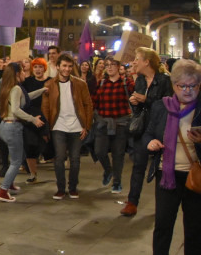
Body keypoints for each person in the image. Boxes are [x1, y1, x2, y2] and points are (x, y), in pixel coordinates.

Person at [139, 59, 201, 255]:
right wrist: (151, 142)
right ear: (174, 85)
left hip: (194, 177)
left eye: (193, 86)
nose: (187, 91)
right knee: (163, 225)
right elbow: (146, 134)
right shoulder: (161, 106)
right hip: (168, 175)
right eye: (182, 86)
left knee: (194, 227)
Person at [120, 47, 173, 217]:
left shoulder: (165, 81)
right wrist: (134, 102)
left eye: (137, 58)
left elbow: (168, 104)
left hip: (161, 129)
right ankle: (132, 202)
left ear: (146, 62)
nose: (134, 61)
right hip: (142, 129)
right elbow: (139, 108)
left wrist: (146, 99)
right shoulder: (140, 81)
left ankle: (163, 205)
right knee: (138, 166)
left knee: (162, 167)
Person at [42, 54, 94, 199]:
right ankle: (60, 188)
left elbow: (88, 105)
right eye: (64, 66)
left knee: (75, 159)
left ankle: (73, 188)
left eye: (70, 66)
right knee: (59, 158)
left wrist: (87, 126)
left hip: (77, 127)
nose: (67, 69)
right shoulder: (49, 85)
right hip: (58, 126)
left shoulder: (80, 84)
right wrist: (47, 127)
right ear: (58, 66)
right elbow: (45, 108)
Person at [0, 63, 46, 202]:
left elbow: (26, 97)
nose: (25, 73)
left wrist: (41, 90)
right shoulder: (16, 88)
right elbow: (17, 110)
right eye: (23, 71)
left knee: (18, 156)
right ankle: (3, 191)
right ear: (17, 74)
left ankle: (9, 183)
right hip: (13, 127)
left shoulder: (9, 88)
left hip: (5, 126)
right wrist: (33, 119)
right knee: (17, 161)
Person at [92, 56, 135, 194]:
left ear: (118, 67)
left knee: (118, 154)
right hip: (104, 123)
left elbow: (134, 98)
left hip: (121, 123)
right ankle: (108, 170)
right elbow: (95, 102)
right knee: (99, 151)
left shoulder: (126, 83)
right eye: (107, 65)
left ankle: (117, 182)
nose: (109, 67)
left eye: (112, 64)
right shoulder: (102, 83)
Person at [22, 57, 50, 182]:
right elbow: (23, 100)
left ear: (45, 68)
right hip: (30, 117)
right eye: (35, 67)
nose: (38, 69)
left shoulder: (50, 82)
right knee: (29, 145)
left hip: (46, 116)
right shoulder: (27, 82)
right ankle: (33, 175)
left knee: (46, 143)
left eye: (40, 67)